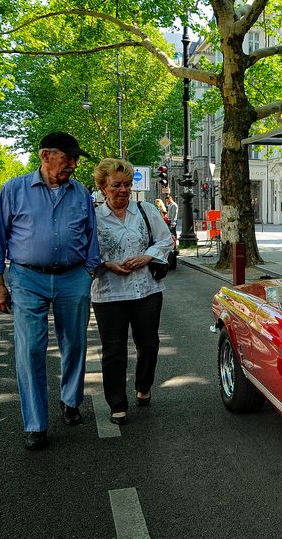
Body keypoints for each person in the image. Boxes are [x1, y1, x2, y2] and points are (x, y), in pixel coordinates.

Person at [0, 131, 100, 451]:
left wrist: (89, 271)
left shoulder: (80, 193)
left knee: (75, 343)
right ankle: (35, 423)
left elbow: (91, 236)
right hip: (27, 279)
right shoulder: (14, 189)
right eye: (67, 158)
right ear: (45, 156)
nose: (73, 165)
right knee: (30, 349)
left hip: (73, 277)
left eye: (75, 159)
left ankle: (70, 400)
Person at [90, 158, 173, 426]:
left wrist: (147, 257)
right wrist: (106, 264)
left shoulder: (145, 210)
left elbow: (166, 240)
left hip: (146, 290)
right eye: (116, 185)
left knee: (148, 344)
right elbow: (84, 251)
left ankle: (143, 385)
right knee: (113, 351)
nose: (123, 190)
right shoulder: (92, 217)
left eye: (126, 184)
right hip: (109, 292)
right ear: (103, 187)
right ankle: (117, 403)